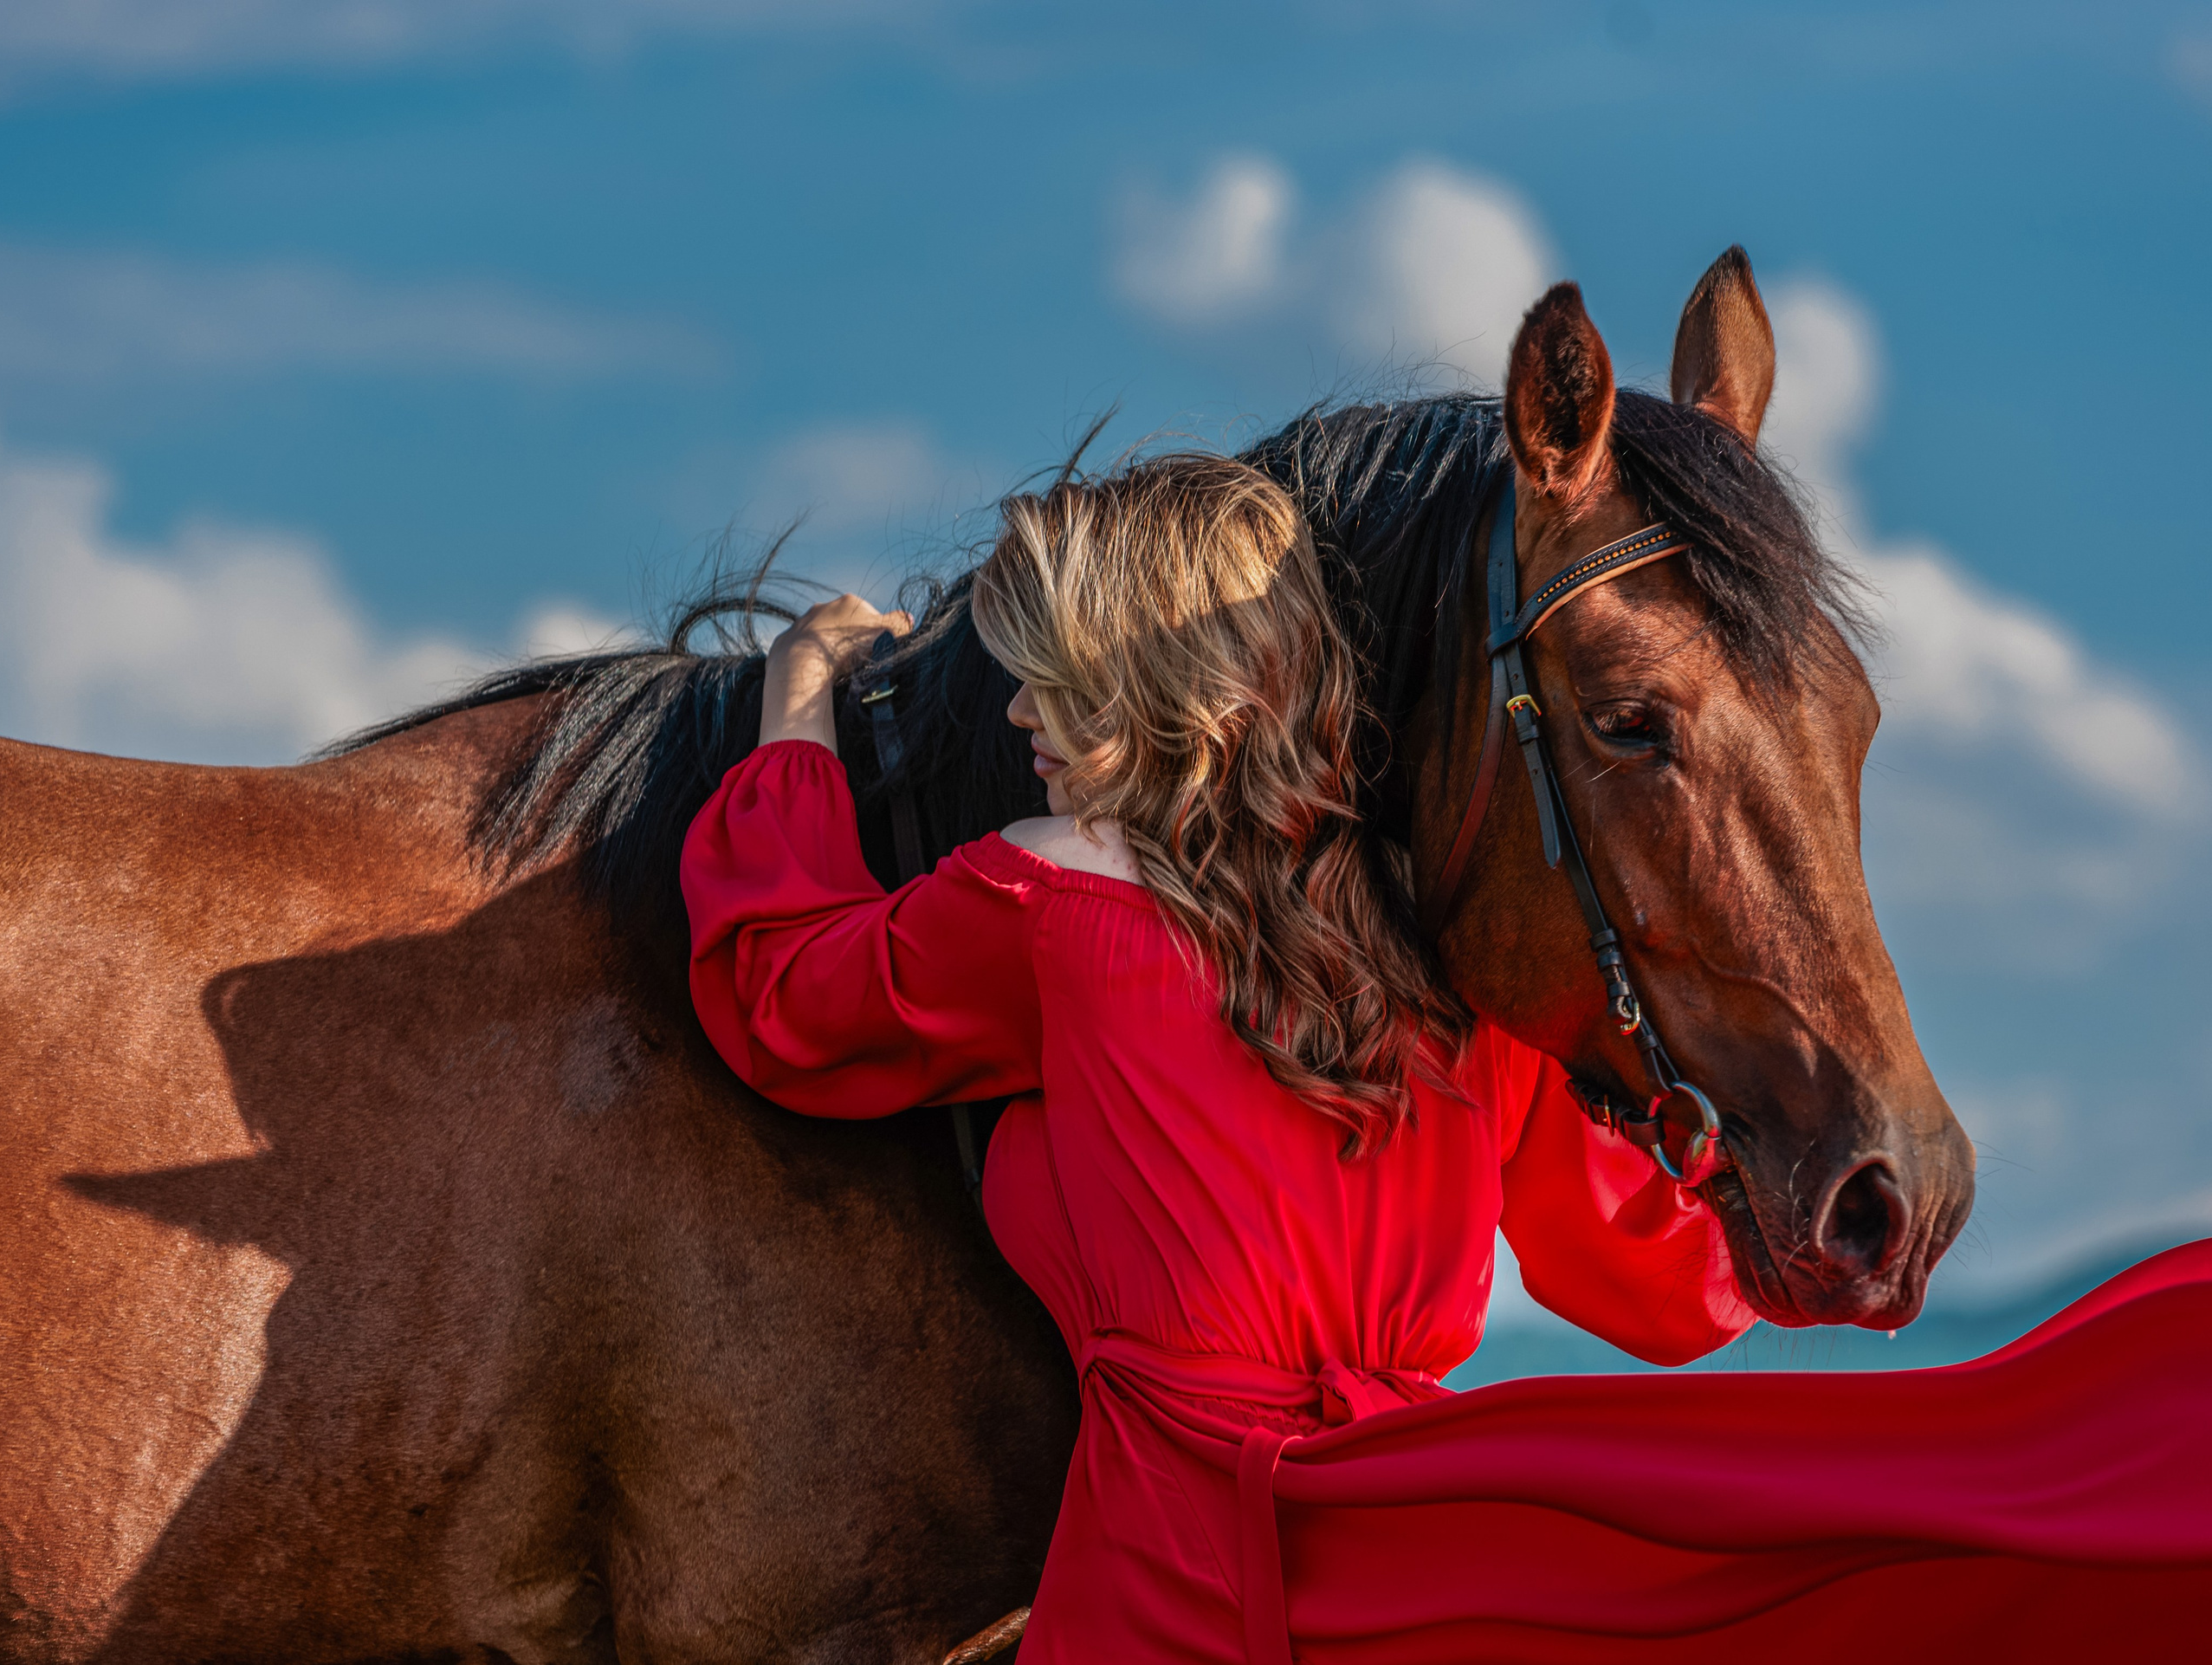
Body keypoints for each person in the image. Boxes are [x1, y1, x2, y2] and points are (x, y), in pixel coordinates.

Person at [682, 455, 2212, 1663]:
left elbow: (786, 1003)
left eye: (1048, 676)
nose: (1013, 709)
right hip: (1413, 1557)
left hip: (1162, 1574)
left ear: (1148, 698)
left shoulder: (1045, 892)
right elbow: (1653, 1286)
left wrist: (796, 707)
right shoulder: (1451, 978)